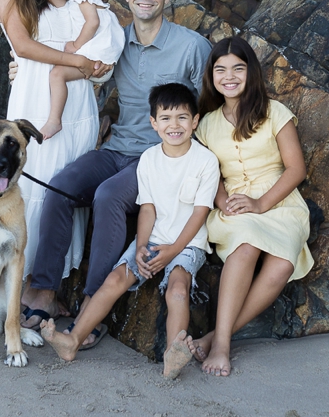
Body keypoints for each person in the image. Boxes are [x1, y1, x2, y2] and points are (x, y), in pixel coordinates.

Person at [21, 0, 211, 341]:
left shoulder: (193, 47)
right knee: (58, 187)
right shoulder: (117, 40)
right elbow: (76, 63)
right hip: (116, 147)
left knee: (108, 195)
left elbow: (209, 109)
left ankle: (92, 306)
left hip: (156, 157)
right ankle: (44, 289)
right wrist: (23, 68)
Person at [41, 83, 219, 379]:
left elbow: (201, 212)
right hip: (153, 238)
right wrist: (141, 246)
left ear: (195, 121)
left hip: (187, 244)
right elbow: (147, 209)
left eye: (182, 118)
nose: (174, 125)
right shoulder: (149, 159)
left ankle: (172, 355)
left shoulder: (205, 161)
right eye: (165, 118)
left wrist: (173, 251)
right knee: (114, 279)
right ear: (153, 123)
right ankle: (72, 340)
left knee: (177, 290)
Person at [0, 0, 107, 283]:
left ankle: (56, 285)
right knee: (36, 185)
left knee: (69, 188)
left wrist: (95, 65)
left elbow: (98, 29)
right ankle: (24, 286)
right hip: (38, 102)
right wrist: (76, 59)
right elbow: (23, 46)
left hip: (78, 103)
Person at [191, 36, 314, 377]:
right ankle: (222, 347)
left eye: (238, 68)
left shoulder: (274, 112)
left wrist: (260, 203)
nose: (229, 76)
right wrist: (221, 202)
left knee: (280, 267)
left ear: (251, 72)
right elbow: (208, 172)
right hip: (234, 203)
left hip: (280, 202)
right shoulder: (205, 124)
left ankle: (216, 336)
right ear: (211, 76)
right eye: (220, 70)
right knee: (245, 244)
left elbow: (296, 169)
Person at [41, 0, 125, 140]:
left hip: (96, 59)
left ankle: (55, 120)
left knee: (57, 74)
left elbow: (93, 22)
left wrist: (76, 46)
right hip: (100, 60)